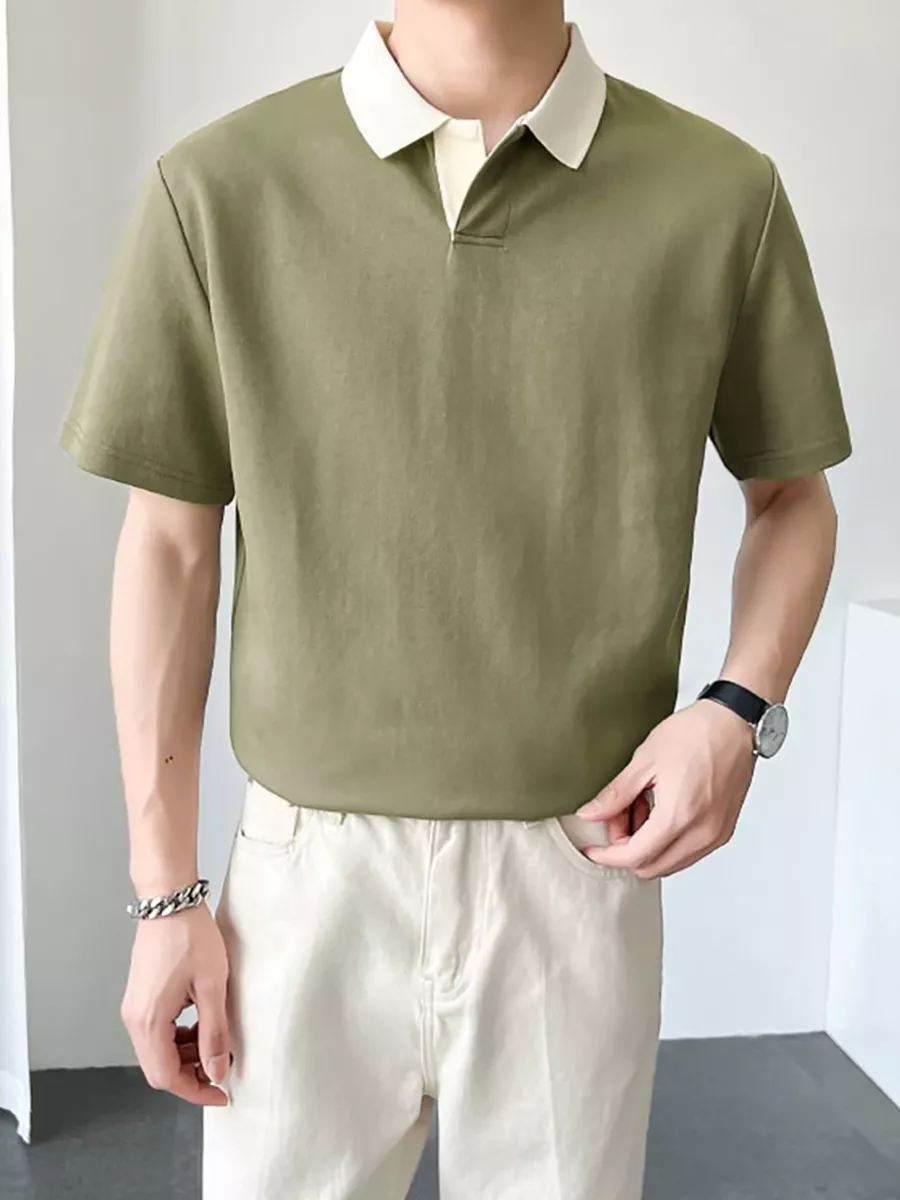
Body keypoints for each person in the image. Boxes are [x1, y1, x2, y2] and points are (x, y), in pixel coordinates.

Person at [57, 2, 852, 1197]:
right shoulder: (219, 190)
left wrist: (740, 709)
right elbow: (170, 546)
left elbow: (792, 496)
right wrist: (164, 894)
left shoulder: (721, 196)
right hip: (306, 879)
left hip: (579, 866)